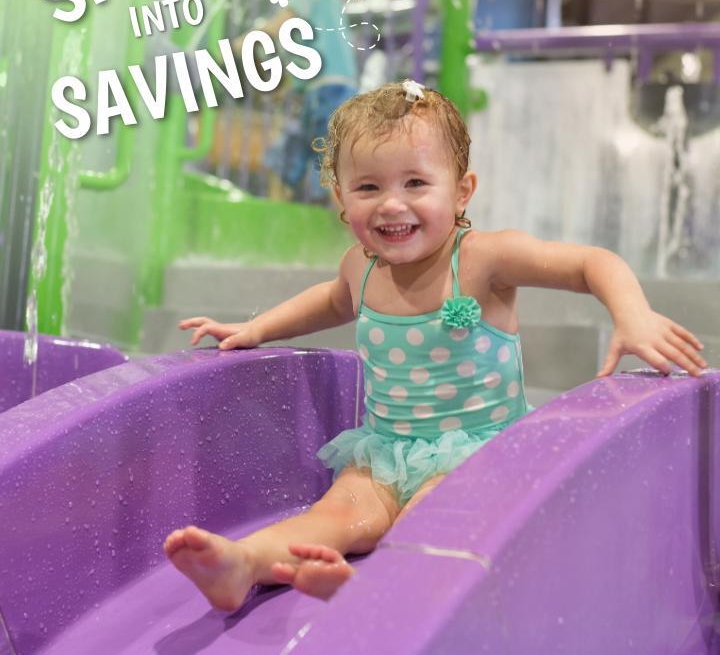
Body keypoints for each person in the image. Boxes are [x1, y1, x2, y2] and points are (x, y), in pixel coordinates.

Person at [163, 80, 707, 609]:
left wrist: (632, 315)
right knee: (335, 515)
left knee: (431, 515)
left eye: (415, 184)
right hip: (384, 451)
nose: (391, 205)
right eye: (368, 187)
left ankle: (373, 592)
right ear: (340, 198)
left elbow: (592, 263)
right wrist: (257, 329)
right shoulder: (361, 265)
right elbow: (331, 301)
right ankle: (244, 565)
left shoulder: (482, 259)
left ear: (462, 190)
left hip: (478, 453)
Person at [233, 0, 358, 204]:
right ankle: (281, 240)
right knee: (282, 163)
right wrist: (285, 87)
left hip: (331, 98)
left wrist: (239, 44)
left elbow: (280, 24)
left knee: (333, 175)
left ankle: (367, 242)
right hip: (323, 98)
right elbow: (312, 57)